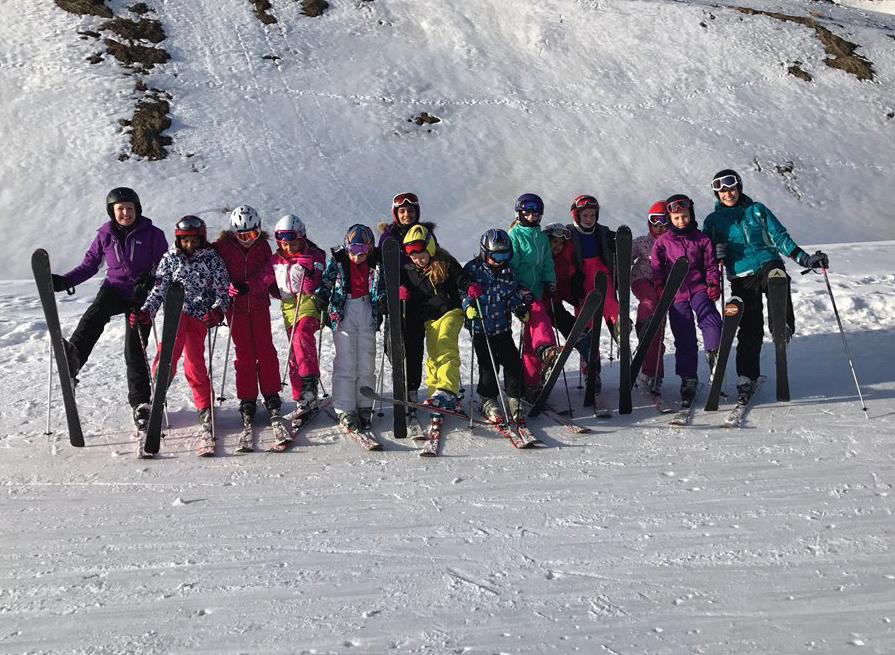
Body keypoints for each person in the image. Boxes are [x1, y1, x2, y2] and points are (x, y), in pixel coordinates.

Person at [703, 169, 829, 401]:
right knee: (750, 326)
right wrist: (715, 252)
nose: (728, 194)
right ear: (717, 194)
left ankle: (781, 326)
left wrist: (804, 259)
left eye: (731, 189)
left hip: (768, 262)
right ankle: (746, 376)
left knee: (777, 278)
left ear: (739, 188)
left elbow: (779, 237)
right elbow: (706, 250)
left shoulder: (757, 210)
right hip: (741, 274)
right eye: (722, 191)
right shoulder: (712, 221)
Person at [50, 187, 167, 430]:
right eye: (120, 209)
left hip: (141, 294)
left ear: (137, 209)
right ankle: (74, 357)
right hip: (114, 288)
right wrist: (64, 282)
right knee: (95, 314)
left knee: (134, 348)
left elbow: (166, 266)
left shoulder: (153, 234)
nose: (125, 213)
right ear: (112, 211)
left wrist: (150, 281)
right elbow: (89, 265)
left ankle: (141, 403)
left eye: (129, 208)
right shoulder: (105, 234)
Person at [135, 216, 230, 444]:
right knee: (167, 354)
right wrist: (147, 311)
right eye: (185, 241)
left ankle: (204, 406)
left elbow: (223, 289)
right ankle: (156, 398)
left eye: (194, 241)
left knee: (194, 363)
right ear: (178, 240)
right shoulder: (170, 258)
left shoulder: (212, 259)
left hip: (199, 316)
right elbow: (159, 289)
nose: (189, 245)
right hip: (174, 316)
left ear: (202, 239)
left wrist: (218, 311)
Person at [214, 205, 285, 432]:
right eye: (242, 236)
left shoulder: (262, 247)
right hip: (236, 309)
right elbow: (214, 271)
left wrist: (276, 290)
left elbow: (268, 273)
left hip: (258, 304)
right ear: (233, 233)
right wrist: (226, 287)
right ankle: (247, 398)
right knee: (244, 352)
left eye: (253, 234)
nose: (248, 240)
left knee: (265, 349)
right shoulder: (222, 248)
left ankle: (271, 394)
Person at [651, 195, 722, 403]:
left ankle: (714, 355)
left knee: (712, 321)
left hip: (699, 288)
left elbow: (711, 266)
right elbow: (657, 268)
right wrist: (660, 287)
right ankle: (688, 378)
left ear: (691, 214)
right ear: (669, 219)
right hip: (676, 294)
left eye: (684, 216)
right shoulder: (662, 243)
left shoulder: (702, 239)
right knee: (684, 336)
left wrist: (713, 284)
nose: (681, 221)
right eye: (676, 218)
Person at [314, 224, 385, 431]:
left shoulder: (377, 262)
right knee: (346, 360)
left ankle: (364, 404)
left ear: (370, 249)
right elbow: (326, 282)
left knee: (366, 360)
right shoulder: (338, 260)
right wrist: (321, 295)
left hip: (367, 308)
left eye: (362, 252)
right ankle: (345, 407)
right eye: (353, 251)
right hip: (344, 310)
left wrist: (383, 300)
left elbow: (382, 286)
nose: (357, 256)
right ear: (346, 247)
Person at [400, 224, 476, 412]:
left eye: (422, 256)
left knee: (445, 345)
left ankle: (448, 390)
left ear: (431, 248)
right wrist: (400, 290)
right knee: (433, 356)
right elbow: (398, 285)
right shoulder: (408, 270)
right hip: (429, 318)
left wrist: (470, 286)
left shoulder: (445, 262)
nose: (418, 260)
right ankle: (435, 394)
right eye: (414, 257)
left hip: (450, 312)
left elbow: (461, 278)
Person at [377, 192, 435, 419]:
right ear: (396, 213)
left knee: (414, 346)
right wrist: (388, 293)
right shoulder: (388, 237)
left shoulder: (425, 233)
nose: (406, 214)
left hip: (418, 299)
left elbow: (434, 260)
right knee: (393, 345)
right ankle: (399, 383)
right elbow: (381, 267)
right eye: (402, 211)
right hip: (395, 298)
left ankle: (411, 389)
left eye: (410, 211)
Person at [462, 229, 529, 423]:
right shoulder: (472, 269)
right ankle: (488, 398)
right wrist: (467, 307)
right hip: (481, 328)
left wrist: (518, 308)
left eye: (505, 256)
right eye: (496, 256)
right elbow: (461, 292)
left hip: (502, 327)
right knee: (488, 366)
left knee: (513, 362)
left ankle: (514, 397)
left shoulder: (509, 272)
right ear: (484, 252)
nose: (500, 261)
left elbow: (511, 294)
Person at [271, 214, 326, 422]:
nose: (289, 248)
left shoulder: (315, 256)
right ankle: (300, 399)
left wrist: (310, 270)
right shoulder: (276, 259)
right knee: (294, 354)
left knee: (301, 336)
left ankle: (310, 390)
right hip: (288, 307)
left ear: (302, 239)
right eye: (284, 244)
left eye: (293, 243)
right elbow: (271, 284)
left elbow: (313, 286)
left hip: (309, 303)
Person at [565, 194, 619, 392]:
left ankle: (619, 328)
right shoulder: (570, 233)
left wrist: (618, 243)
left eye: (593, 215)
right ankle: (590, 368)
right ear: (576, 216)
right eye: (585, 215)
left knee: (611, 304)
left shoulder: (603, 232)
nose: (589, 219)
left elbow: (618, 242)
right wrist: (571, 280)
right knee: (586, 323)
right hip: (582, 278)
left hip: (602, 274)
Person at [508, 193, 560, 395]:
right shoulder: (515, 236)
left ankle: (532, 382)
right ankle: (546, 348)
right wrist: (517, 287)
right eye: (527, 213)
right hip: (520, 289)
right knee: (537, 312)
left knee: (531, 337)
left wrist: (551, 281)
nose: (531, 217)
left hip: (537, 288)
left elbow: (547, 263)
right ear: (520, 214)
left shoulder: (541, 237)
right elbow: (511, 265)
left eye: (535, 214)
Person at [631, 201, 669, 396]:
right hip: (641, 279)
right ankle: (643, 326)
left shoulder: (673, 244)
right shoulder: (642, 242)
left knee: (659, 325)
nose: (660, 227)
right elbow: (626, 256)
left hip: (664, 286)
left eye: (665, 223)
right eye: (656, 222)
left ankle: (653, 372)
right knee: (650, 302)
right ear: (649, 224)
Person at [543, 222, 590, 361]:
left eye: (561, 243)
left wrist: (573, 294)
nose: (557, 246)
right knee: (556, 319)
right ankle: (549, 351)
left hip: (554, 300)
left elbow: (564, 283)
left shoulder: (563, 260)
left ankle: (581, 336)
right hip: (540, 301)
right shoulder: (540, 258)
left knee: (562, 317)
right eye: (554, 242)